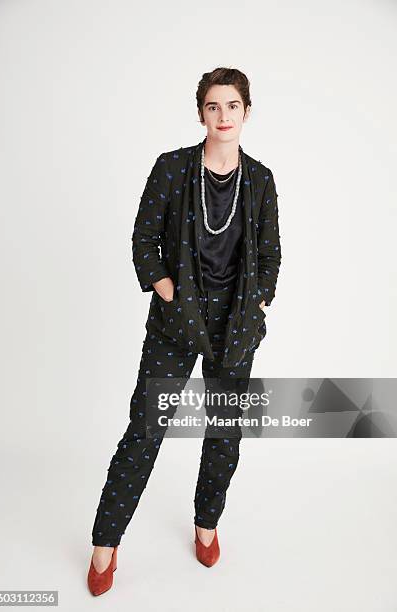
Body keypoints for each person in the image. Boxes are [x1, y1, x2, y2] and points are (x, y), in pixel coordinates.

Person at [87, 66, 282, 595]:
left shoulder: (260, 179)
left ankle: (206, 524)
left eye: (233, 107)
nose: (223, 116)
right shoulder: (172, 169)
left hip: (236, 326)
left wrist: (258, 302)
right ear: (201, 113)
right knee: (146, 429)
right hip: (177, 321)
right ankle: (105, 545)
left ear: (246, 113)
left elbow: (270, 254)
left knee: (224, 433)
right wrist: (168, 290)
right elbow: (144, 239)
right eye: (213, 107)